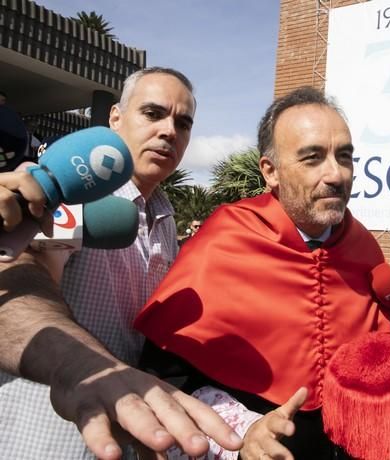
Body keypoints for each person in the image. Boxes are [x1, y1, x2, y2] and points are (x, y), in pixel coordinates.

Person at [133, 86, 390, 460]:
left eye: (345, 156)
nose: (336, 174)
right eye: (313, 158)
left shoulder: (364, 247)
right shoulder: (224, 240)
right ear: (270, 172)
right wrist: (241, 433)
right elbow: (165, 381)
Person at [0, 67, 240, 458]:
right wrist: (73, 363)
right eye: (153, 113)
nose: (168, 131)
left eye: (183, 122)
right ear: (115, 117)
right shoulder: (58, 189)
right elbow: (21, 274)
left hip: (127, 439)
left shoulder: (163, 218)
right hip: (46, 439)